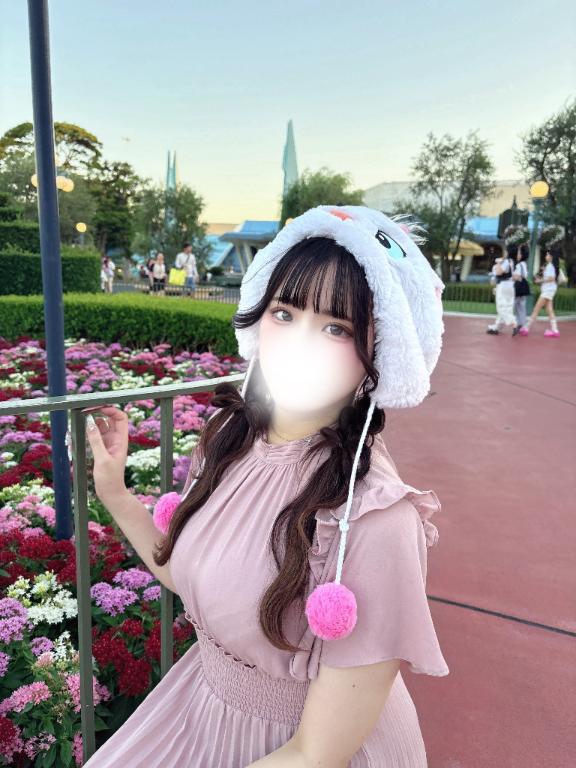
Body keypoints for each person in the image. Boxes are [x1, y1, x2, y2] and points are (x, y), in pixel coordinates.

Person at [83, 205, 449, 767]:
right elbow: (187, 573)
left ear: (380, 354)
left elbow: (315, 754)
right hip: (203, 711)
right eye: (284, 312)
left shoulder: (375, 520)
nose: (299, 342)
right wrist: (115, 492)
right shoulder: (229, 440)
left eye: (336, 327)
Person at [519, 248, 561, 337]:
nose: (546, 256)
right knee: (549, 310)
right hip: (549, 290)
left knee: (536, 308)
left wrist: (540, 280)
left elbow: (551, 278)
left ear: (551, 257)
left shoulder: (550, 266)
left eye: (547, 254)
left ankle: (526, 327)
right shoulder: (551, 266)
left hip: (547, 291)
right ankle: (555, 330)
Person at [486, 244, 519, 335]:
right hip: (510, 285)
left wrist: (498, 264)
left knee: (501, 307)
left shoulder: (506, 262)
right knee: (507, 306)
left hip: (503, 285)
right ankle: (497, 327)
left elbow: (499, 272)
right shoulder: (513, 262)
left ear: (508, 252)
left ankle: (514, 323)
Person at [512, 243, 531, 332]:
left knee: (514, 305)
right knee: (521, 306)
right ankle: (523, 324)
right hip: (524, 286)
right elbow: (525, 275)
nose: (517, 254)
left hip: (519, 286)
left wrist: (511, 276)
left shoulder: (519, 265)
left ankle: (517, 323)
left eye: (519, 253)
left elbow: (517, 276)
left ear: (522, 255)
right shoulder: (524, 264)